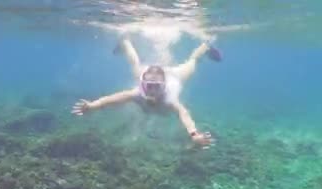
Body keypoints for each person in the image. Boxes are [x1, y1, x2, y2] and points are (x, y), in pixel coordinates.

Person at [71, 38, 219, 148]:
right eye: (149, 86)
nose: (152, 91)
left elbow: (183, 113)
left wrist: (193, 134)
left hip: (174, 75)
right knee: (136, 65)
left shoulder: (169, 98)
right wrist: (92, 106)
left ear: (163, 86)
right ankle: (125, 41)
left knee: (192, 61)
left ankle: (206, 45)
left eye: (157, 86)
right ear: (143, 84)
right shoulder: (137, 92)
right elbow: (111, 99)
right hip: (148, 73)